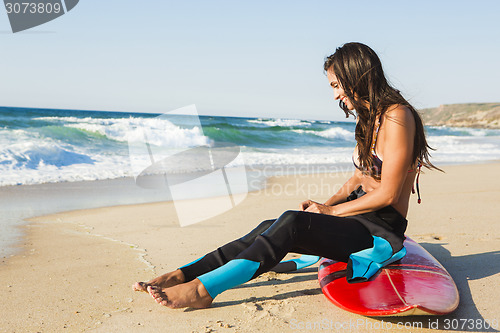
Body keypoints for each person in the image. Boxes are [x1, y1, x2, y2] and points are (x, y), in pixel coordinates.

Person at [132, 42, 439, 309]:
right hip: (356, 219)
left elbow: (387, 193)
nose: (334, 96)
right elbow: (359, 178)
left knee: (291, 224)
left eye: (336, 85)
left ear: (355, 75)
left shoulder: (398, 116)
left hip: (379, 232)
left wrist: (331, 211)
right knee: (275, 223)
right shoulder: (368, 120)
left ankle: (203, 290)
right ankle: (184, 274)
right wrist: (323, 205)